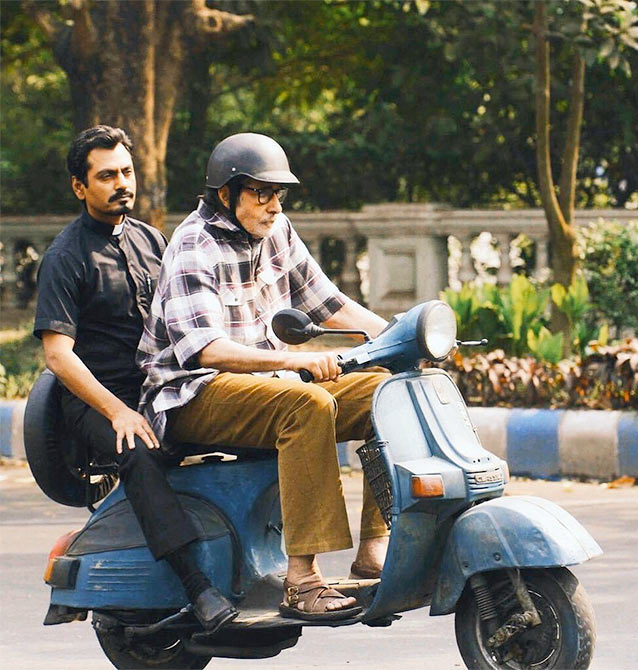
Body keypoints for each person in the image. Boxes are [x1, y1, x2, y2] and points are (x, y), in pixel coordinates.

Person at [137, 132, 390, 621]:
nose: (273, 206)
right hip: (191, 394)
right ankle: (302, 581)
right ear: (226, 195)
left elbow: (329, 303)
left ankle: (376, 546)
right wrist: (296, 362)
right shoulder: (194, 243)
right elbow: (205, 350)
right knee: (307, 404)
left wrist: (405, 336)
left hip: (267, 386)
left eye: (279, 194)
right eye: (260, 193)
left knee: (387, 390)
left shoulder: (277, 230)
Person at [33, 125, 237, 634]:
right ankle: (198, 588)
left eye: (126, 172)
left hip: (158, 387)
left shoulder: (151, 239)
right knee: (138, 450)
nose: (121, 183)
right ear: (80, 187)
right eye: (106, 176)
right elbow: (58, 356)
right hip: (95, 400)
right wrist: (117, 411)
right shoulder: (65, 257)